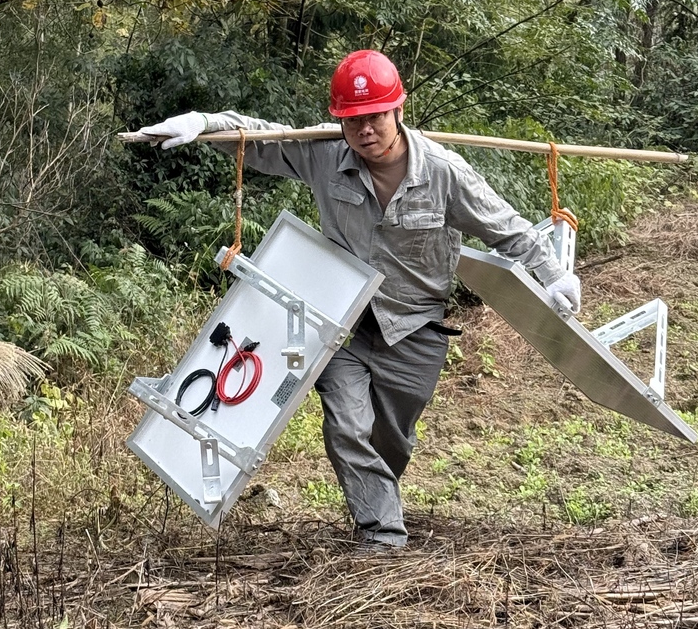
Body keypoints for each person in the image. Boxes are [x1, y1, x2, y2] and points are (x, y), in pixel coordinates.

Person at [136, 50, 581, 552]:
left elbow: (511, 231)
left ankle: (375, 502)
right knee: (348, 422)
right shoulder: (325, 155)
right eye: (352, 120)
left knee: (390, 443)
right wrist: (203, 122)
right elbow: (258, 137)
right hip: (339, 323)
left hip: (415, 327)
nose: (364, 130)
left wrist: (554, 276)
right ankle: (382, 537)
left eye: (374, 117)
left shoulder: (444, 173)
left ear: (398, 110)